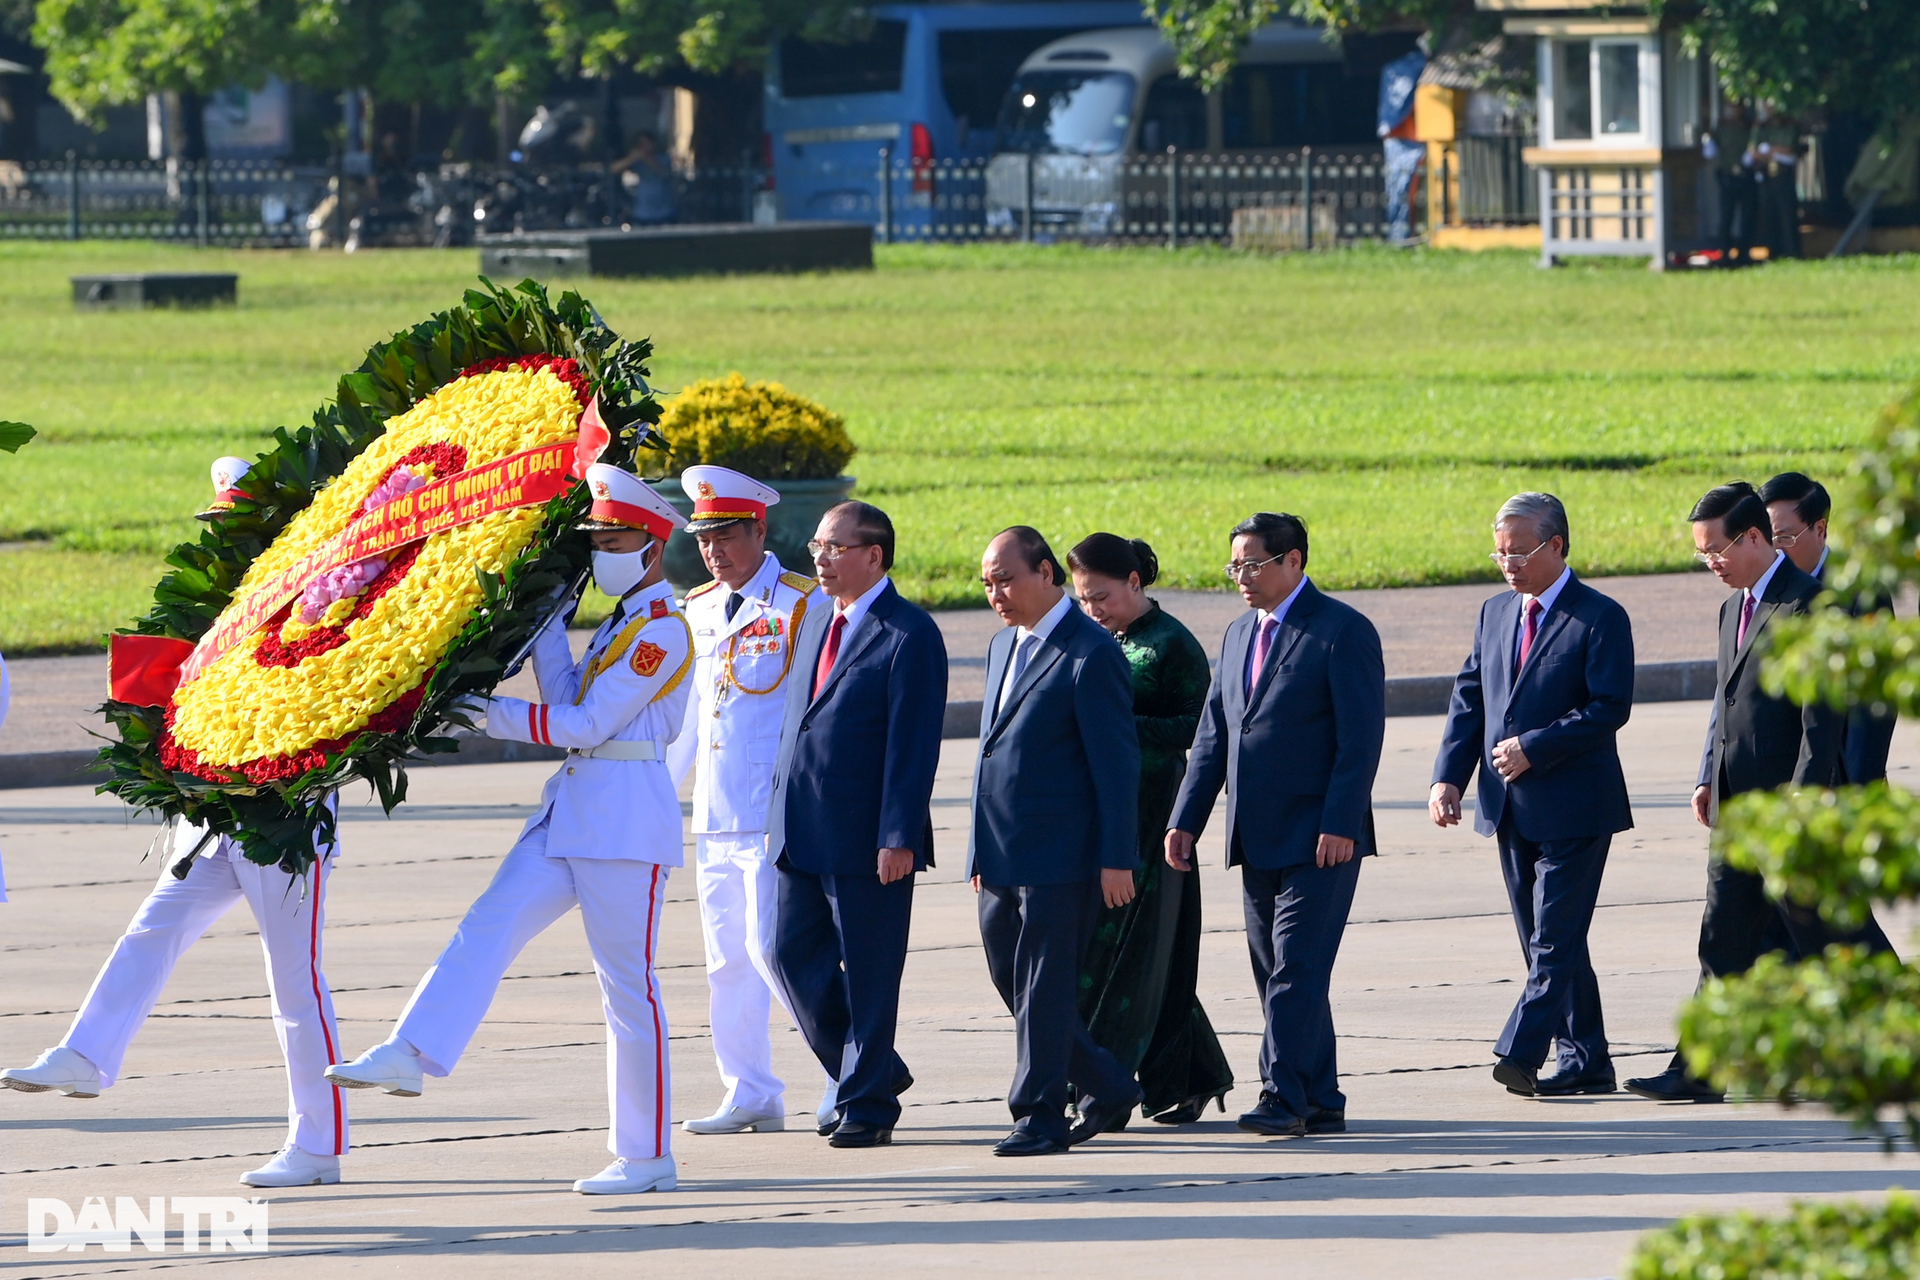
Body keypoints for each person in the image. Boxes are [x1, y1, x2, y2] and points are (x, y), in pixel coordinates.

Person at [325, 464, 694, 1195]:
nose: (601, 551)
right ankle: (411, 1048)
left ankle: (648, 1155)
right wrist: (549, 622)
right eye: (596, 538)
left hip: (623, 823)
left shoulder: (665, 632)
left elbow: (587, 724)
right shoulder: (621, 623)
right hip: (573, 811)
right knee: (487, 923)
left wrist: (482, 714)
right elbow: (564, 700)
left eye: (613, 538)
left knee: (626, 991)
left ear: (651, 547)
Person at [1, 457, 349, 1190]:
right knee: (151, 931)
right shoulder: (221, 607)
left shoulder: (318, 599)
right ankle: (88, 1056)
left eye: (236, 528)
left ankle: (318, 1145)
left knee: (294, 987)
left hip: (284, 819)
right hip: (215, 815)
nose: (223, 540)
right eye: (217, 527)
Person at [1625, 482, 1888, 1103]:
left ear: (1751, 538)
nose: (1709, 563)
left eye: (1714, 550)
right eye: (1701, 553)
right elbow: (1728, 707)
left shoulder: (1814, 608)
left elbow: (1819, 728)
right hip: (1737, 809)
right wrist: (1707, 779)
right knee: (1723, 937)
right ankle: (1701, 1069)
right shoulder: (1731, 610)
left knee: (1830, 939)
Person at [1168, 512, 1385, 1138]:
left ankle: (1281, 1095)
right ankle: (1321, 1095)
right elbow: (1214, 736)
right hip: (1255, 833)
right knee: (1276, 971)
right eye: (1235, 565)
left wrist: (1341, 820)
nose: (1242, 576)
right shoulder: (1238, 634)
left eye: (1254, 564)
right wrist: (1187, 819)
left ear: (1294, 562)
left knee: (1296, 969)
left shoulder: (1342, 632)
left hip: (1322, 836)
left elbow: (1360, 740)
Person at [1430, 494, 1634, 1098]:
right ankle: (1587, 1058)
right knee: (1547, 938)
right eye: (1499, 553)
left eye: (1519, 552)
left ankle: (1521, 1050)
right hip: (1508, 805)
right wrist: (1449, 776)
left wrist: (1535, 747)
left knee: (1553, 937)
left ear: (1558, 547)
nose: (1508, 564)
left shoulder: (1600, 616)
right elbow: (1470, 696)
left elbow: (1609, 708)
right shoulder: (1495, 612)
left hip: (1576, 804)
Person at [765, 500, 947, 1148]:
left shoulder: (909, 633)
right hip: (800, 828)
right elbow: (799, 725)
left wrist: (898, 834)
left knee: (871, 973)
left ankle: (868, 1106)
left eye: (836, 547)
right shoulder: (816, 620)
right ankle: (873, 1067)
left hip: (869, 837)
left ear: (874, 555)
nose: (821, 558)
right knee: (789, 956)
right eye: (817, 545)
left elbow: (913, 744)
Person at [667, 465, 836, 1136]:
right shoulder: (698, 608)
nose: (714, 551)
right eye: (705, 538)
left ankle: (844, 1072)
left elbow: (810, 714)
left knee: (777, 952)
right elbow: (686, 723)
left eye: (727, 536)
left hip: (774, 814)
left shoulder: (800, 603)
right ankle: (749, 1089)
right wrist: (659, 800)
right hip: (714, 814)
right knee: (726, 962)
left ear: (759, 531)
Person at [970, 527, 1142, 1156]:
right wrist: (977, 854)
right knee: (1011, 979)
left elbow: (1116, 767)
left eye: (1007, 579)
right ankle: (1107, 1083)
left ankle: (1038, 1114)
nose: (997, 594)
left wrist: (1116, 858)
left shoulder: (1089, 652)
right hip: (1000, 855)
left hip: (1062, 857)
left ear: (1046, 573)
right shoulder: (1001, 647)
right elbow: (992, 759)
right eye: (988, 583)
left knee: (1043, 988)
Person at [1066, 533, 1234, 1125]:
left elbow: (1203, 727)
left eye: (1102, 596)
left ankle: (1099, 1084)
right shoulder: (1097, 638)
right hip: (1103, 816)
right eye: (1084, 599)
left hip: (1155, 817)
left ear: (1135, 583)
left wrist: (1120, 725)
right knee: (1128, 956)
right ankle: (1189, 1075)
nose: (1093, 609)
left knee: (1137, 954)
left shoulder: (1172, 645)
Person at [1758, 472, 1897, 786]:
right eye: (1769, 539)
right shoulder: (1763, 591)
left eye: (1785, 537)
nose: (1776, 550)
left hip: (1837, 783)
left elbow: (1873, 703)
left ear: (1820, 529)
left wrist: (1857, 786)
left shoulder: (1861, 593)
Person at [1704, 102, 1758, 266]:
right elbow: (1711, 148)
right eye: (1732, 106)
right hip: (1728, 177)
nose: (1734, 110)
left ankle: (1744, 254)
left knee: (1747, 218)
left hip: (1747, 176)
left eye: (1737, 106)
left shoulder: (1750, 126)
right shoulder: (1721, 126)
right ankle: (1725, 254)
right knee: (1726, 217)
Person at [614, 131, 676, 226]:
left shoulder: (664, 158)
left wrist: (646, 158)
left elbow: (663, 173)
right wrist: (631, 159)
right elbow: (614, 169)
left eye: (647, 144)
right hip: (642, 213)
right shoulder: (637, 162)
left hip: (664, 212)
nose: (644, 147)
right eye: (641, 145)